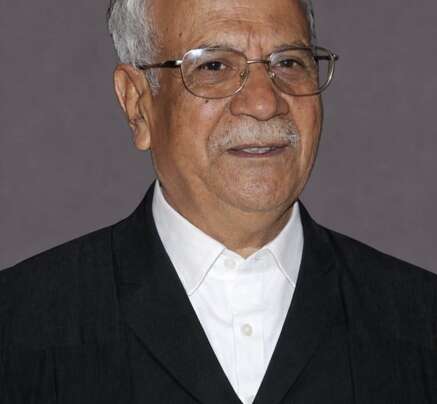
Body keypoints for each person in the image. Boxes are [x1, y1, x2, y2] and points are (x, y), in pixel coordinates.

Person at [1, 0, 436, 402]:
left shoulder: (421, 321)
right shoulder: (19, 327)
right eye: (213, 66)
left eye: (288, 62)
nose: (264, 103)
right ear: (138, 104)